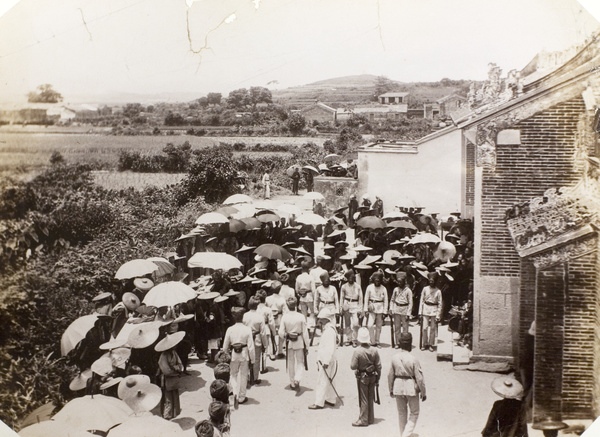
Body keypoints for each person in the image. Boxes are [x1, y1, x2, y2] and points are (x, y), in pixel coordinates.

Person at [388, 332, 426, 437]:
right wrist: (423, 392)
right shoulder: (414, 359)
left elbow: (390, 375)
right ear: (410, 344)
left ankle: (403, 434)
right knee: (414, 412)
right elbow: (419, 378)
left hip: (398, 386)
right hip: (411, 387)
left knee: (401, 413)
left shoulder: (394, 357)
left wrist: (390, 389)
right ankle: (405, 435)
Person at [222, 307, 254, 406]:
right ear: (243, 317)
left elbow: (225, 346)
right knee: (244, 375)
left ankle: (234, 393)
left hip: (234, 354)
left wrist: (226, 354)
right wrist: (252, 360)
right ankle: (241, 397)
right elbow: (251, 347)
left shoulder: (230, 329)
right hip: (244, 354)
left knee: (233, 374)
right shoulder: (247, 329)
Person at [350, 327, 382, 427]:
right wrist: (378, 378)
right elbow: (379, 366)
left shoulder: (358, 351)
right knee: (370, 397)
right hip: (372, 376)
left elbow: (353, 366)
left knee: (363, 398)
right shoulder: (374, 350)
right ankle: (370, 418)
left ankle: (364, 419)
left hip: (362, 377)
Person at [308, 307, 339, 410]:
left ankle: (319, 402)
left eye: (321, 319)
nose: (319, 321)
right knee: (330, 380)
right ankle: (331, 399)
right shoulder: (330, 329)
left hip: (327, 360)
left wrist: (325, 361)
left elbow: (329, 348)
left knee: (322, 381)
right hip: (330, 359)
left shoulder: (329, 331)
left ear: (326, 319)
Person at [279, 297, 309, 390]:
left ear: (287, 306)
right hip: (299, 340)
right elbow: (305, 333)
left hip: (289, 342)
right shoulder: (301, 316)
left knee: (291, 362)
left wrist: (286, 336)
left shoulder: (285, 317)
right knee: (300, 362)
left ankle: (292, 383)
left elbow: (280, 332)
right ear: (296, 305)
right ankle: (297, 378)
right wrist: (307, 345)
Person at [156, 332, 186, 419]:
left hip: (174, 378)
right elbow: (166, 371)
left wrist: (177, 368)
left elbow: (181, 365)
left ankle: (173, 413)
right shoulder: (163, 356)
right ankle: (167, 415)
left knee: (174, 396)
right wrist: (176, 370)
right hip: (167, 379)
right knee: (167, 398)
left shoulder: (174, 353)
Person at [242, 297, 266, 385]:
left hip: (246, 339)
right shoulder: (260, 317)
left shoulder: (244, 315)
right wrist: (265, 344)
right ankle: (255, 377)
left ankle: (247, 376)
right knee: (256, 359)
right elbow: (263, 332)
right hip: (257, 339)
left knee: (247, 358)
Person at [363, 271, 389, 347]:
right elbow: (366, 298)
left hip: (380, 308)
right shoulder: (369, 287)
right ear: (373, 280)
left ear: (381, 280)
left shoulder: (384, 288)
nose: (377, 281)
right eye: (376, 280)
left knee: (379, 326)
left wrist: (385, 312)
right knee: (370, 325)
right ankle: (372, 341)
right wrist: (366, 310)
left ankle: (377, 341)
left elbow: (386, 300)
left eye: (379, 280)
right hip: (371, 308)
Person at [419, 272, 442, 351]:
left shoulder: (438, 291)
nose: (431, 282)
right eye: (430, 281)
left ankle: (430, 344)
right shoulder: (425, 289)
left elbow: (440, 303)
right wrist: (420, 312)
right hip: (426, 308)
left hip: (434, 309)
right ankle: (424, 343)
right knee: (424, 328)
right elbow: (421, 300)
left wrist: (438, 315)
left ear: (435, 281)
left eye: (432, 281)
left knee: (432, 328)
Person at [265, 281, 289, 359]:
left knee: (271, 335)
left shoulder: (267, 299)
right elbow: (285, 311)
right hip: (280, 317)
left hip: (270, 317)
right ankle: (280, 351)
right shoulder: (282, 299)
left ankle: (271, 353)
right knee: (281, 334)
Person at [340, 270, 363, 347]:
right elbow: (341, 298)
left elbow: (360, 298)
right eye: (349, 277)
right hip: (346, 304)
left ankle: (354, 339)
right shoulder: (344, 286)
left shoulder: (358, 286)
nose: (351, 279)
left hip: (355, 305)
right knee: (347, 324)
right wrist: (341, 308)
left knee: (355, 323)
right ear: (347, 278)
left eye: (352, 277)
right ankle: (349, 339)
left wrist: (360, 309)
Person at [390, 272, 413, 344]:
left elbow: (410, 302)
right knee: (397, 327)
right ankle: (398, 342)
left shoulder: (408, 290)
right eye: (398, 282)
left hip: (405, 310)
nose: (399, 283)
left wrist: (408, 313)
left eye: (401, 282)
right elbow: (392, 300)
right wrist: (391, 309)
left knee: (405, 328)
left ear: (404, 281)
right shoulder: (396, 289)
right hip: (397, 309)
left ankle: (404, 343)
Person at [295, 261, 316, 332]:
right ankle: (309, 326)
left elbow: (296, 289)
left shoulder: (298, 277)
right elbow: (313, 289)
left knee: (303, 313)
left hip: (302, 297)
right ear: (308, 269)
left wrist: (300, 294)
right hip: (309, 296)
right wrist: (315, 298)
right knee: (312, 312)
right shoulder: (310, 277)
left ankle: (304, 326)